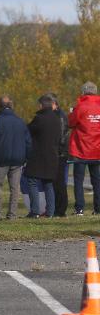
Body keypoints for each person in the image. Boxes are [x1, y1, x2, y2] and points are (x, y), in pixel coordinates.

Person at [0, 95, 31, 220]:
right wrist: (26, 157)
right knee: (15, 188)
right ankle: (12, 214)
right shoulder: (20, 122)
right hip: (18, 160)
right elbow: (28, 142)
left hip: (1, 159)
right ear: (11, 106)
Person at [26, 95, 62, 218]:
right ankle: (50, 212)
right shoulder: (57, 119)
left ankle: (35, 211)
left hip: (38, 156)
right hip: (52, 156)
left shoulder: (39, 118)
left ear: (41, 105)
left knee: (32, 181)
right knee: (48, 184)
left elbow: (29, 130)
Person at [69, 81, 100, 215]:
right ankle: (98, 209)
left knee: (79, 180)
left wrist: (72, 112)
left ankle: (80, 209)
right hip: (97, 150)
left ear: (83, 92)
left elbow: (71, 123)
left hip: (80, 150)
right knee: (97, 181)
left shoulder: (80, 106)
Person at [47, 93, 70, 217]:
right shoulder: (57, 115)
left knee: (59, 182)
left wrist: (54, 149)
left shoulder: (59, 116)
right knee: (57, 182)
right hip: (58, 152)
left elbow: (61, 137)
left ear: (54, 104)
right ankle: (58, 208)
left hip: (59, 153)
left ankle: (60, 209)